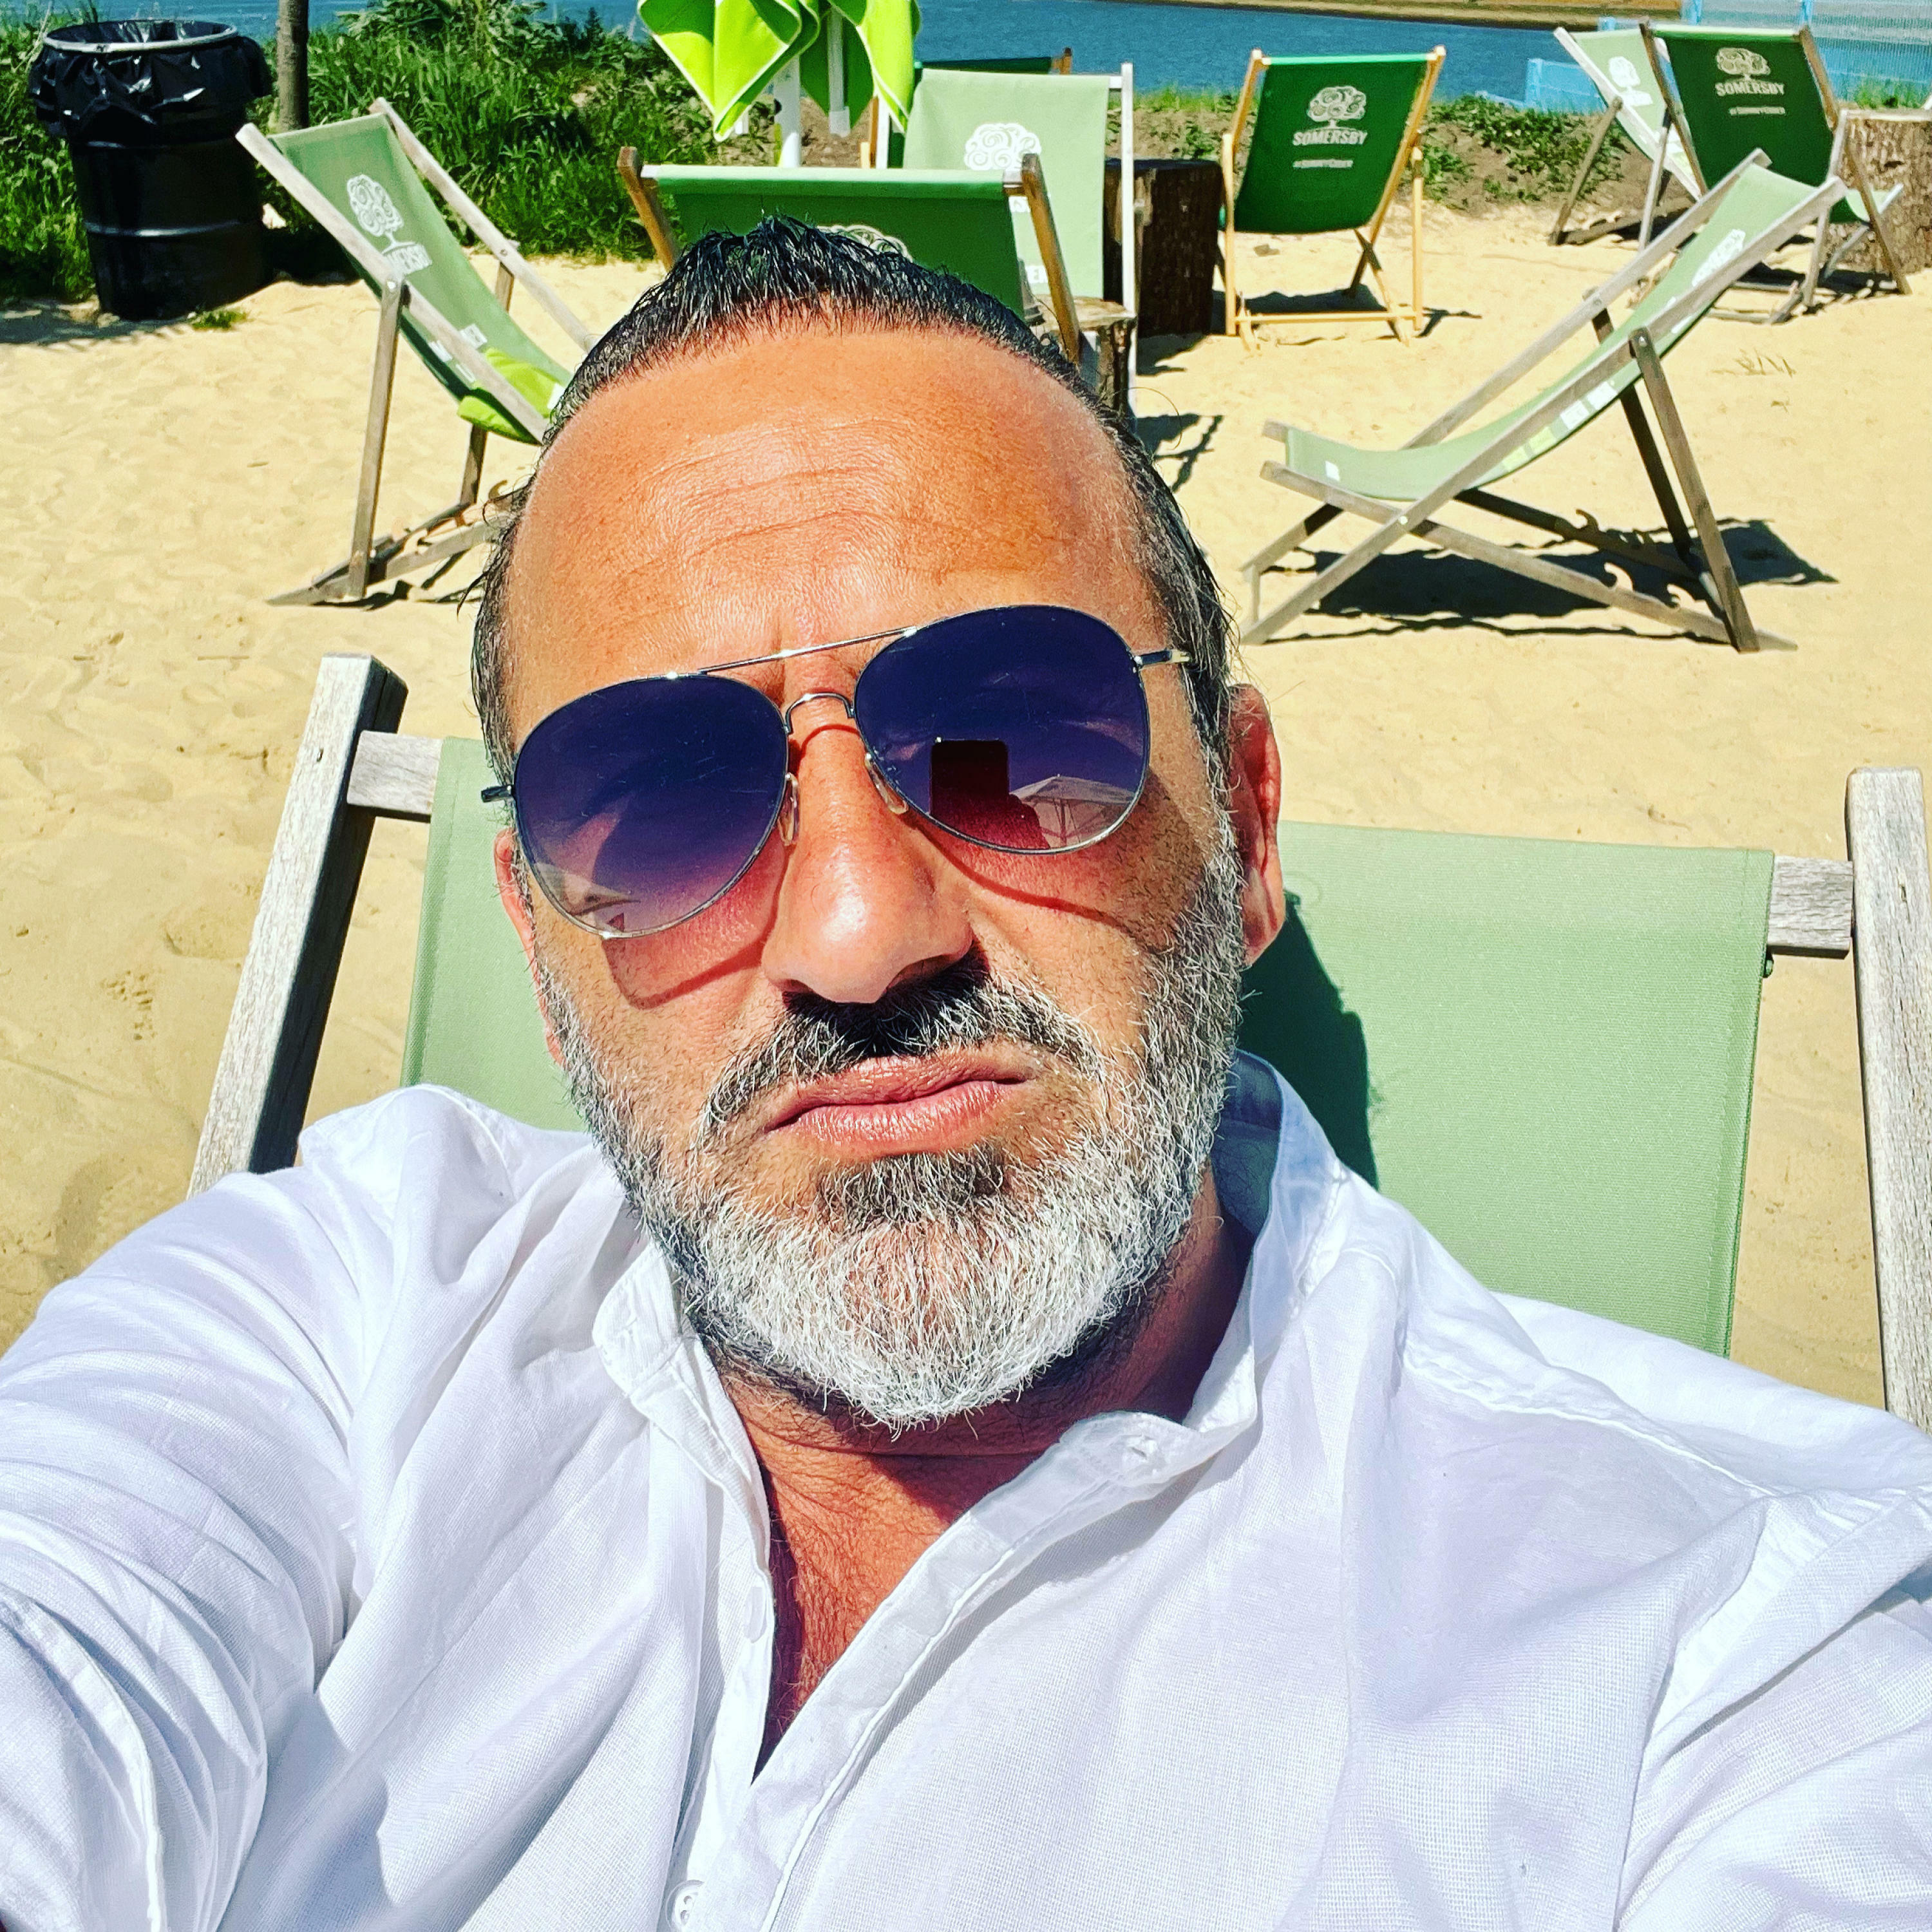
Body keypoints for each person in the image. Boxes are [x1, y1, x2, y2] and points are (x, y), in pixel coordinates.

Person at [1, 222, 1929, 1932]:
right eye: (660, 799)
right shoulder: (338, 1318)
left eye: (1017, 734)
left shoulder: (1739, 1642)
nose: (861, 936)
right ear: (537, 940)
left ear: (1249, 827)